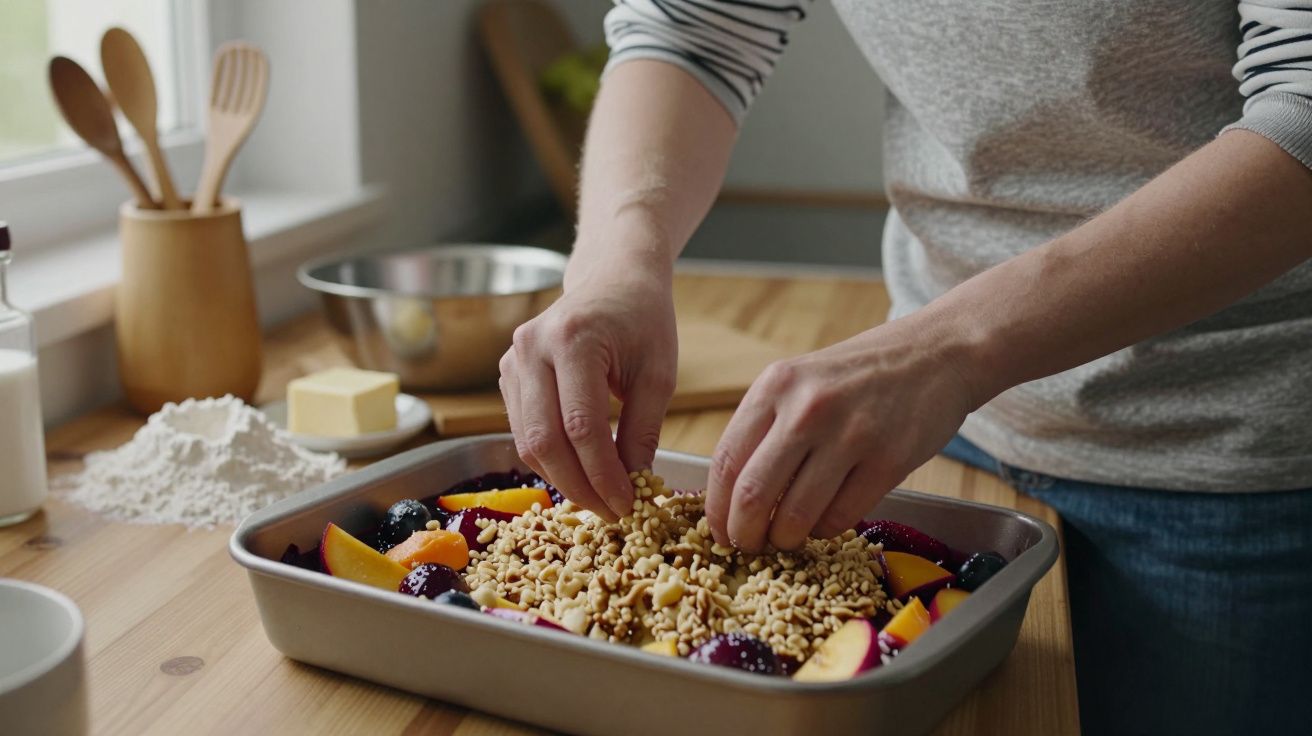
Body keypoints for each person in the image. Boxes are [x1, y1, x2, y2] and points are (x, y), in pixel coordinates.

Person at [497, 2, 1312, 733]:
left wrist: (950, 347)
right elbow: (693, 28)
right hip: (932, 436)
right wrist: (617, 255)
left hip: (1232, 457)